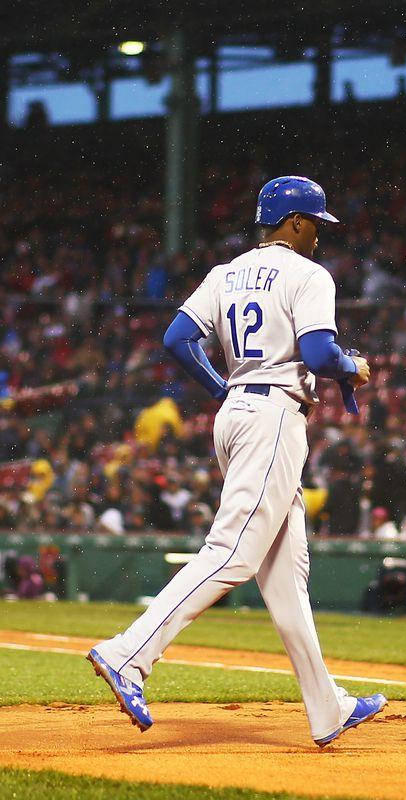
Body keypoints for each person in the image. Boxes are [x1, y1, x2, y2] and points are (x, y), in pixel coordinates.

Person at [85, 176, 386, 747]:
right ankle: (129, 653)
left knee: (285, 576)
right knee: (232, 552)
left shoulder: (226, 273)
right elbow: (320, 354)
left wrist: (222, 388)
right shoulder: (308, 274)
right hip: (273, 417)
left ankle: (328, 708)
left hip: (240, 413)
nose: (319, 235)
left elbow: (177, 339)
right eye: (316, 223)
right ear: (295, 222)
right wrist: (351, 366)